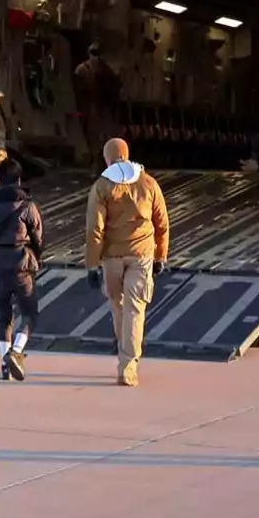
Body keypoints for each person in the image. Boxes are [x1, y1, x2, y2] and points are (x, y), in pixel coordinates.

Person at [85, 138, 170, 387]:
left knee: (118, 306)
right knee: (135, 310)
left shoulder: (101, 187)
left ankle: (124, 356)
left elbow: (94, 230)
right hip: (142, 256)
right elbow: (162, 223)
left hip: (112, 258)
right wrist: (160, 256)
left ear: (107, 158)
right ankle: (128, 365)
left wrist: (91, 264)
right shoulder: (148, 183)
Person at [0, 159, 44, 382]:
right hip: (21, 263)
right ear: (18, 179)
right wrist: (36, 257)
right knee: (30, 313)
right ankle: (16, 352)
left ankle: (5, 365)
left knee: (3, 314)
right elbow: (38, 238)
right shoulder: (27, 205)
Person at [74, 43, 123, 172]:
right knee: (94, 136)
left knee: (100, 136)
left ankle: (100, 161)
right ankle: (96, 160)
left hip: (101, 107)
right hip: (92, 107)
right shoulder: (84, 69)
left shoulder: (105, 70)